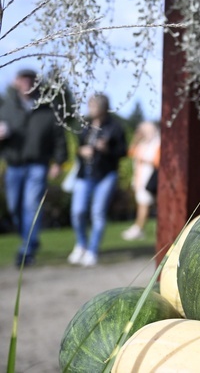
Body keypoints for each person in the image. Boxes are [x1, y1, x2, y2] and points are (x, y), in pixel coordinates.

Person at [0, 69, 68, 267]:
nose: (27, 83)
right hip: (14, 166)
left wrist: (59, 161)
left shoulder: (48, 109)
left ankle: (26, 250)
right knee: (15, 208)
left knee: (31, 206)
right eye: (23, 79)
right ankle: (30, 240)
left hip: (38, 165)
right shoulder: (6, 108)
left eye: (31, 80)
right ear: (16, 82)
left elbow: (59, 138)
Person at [67, 93, 127, 267]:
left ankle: (92, 250)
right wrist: (81, 151)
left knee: (97, 212)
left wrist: (107, 149)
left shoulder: (115, 127)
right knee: (77, 211)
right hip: (84, 174)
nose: (90, 109)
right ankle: (81, 244)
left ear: (102, 107)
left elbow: (123, 151)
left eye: (93, 106)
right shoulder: (85, 126)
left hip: (105, 175)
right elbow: (78, 148)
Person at [121, 120, 160, 241]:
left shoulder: (157, 143)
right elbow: (130, 152)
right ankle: (139, 227)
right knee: (142, 203)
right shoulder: (143, 144)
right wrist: (136, 138)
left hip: (149, 178)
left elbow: (158, 161)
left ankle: (139, 227)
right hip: (139, 178)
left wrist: (144, 160)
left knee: (145, 203)